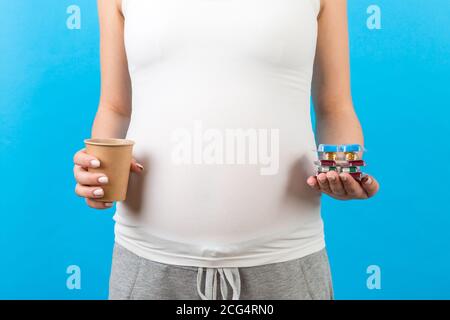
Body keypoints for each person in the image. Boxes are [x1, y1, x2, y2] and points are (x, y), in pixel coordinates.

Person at [73, 0, 379, 300]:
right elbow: (115, 107)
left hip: (286, 263)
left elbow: (334, 107)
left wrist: (343, 170)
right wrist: (99, 173)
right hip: (149, 265)